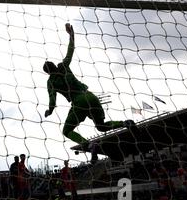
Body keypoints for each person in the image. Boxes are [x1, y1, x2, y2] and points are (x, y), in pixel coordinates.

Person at [43, 23, 136, 163]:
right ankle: (125, 123)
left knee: (66, 131)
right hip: (90, 96)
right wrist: (71, 35)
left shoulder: (51, 82)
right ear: (54, 65)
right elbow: (70, 51)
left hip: (79, 102)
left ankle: (90, 145)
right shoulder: (64, 66)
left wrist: (49, 111)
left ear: (47, 73)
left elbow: (52, 100)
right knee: (101, 126)